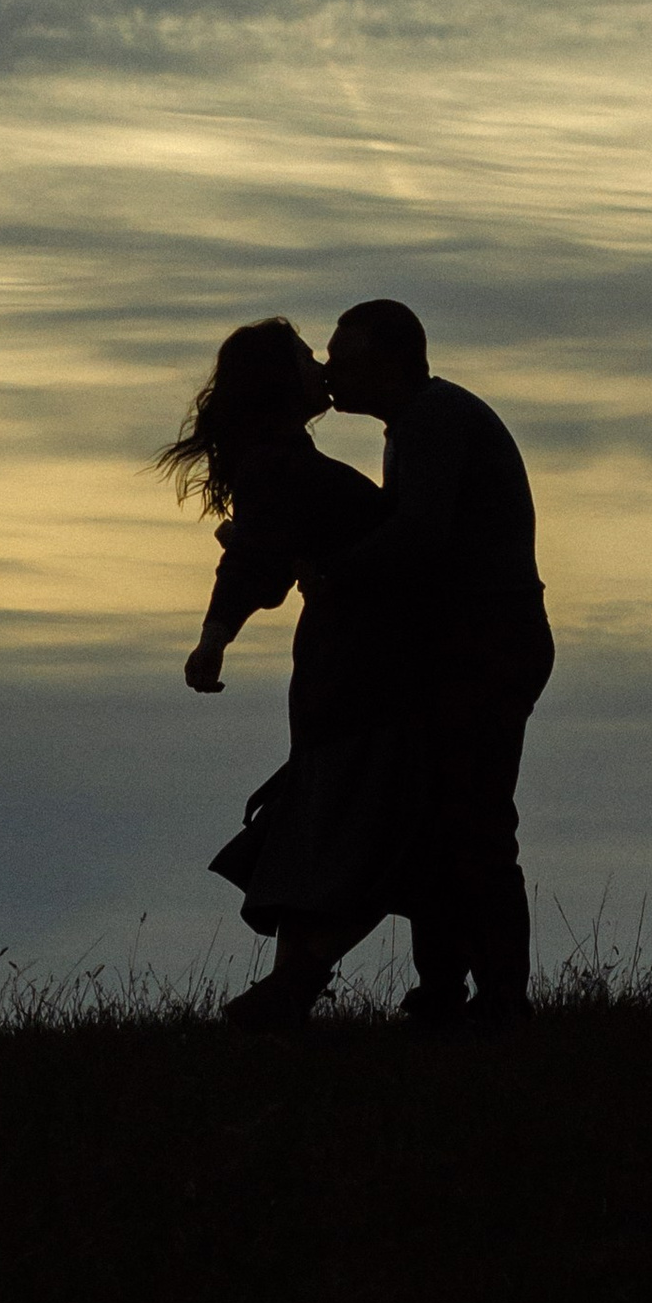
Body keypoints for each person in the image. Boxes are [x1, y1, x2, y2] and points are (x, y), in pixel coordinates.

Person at [159, 316, 417, 1031]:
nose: (322, 365)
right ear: (280, 379)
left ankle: (287, 995)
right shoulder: (276, 463)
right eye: (308, 356)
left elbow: (265, 547)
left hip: (356, 661)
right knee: (367, 823)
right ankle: (289, 990)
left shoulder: (282, 461)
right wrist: (213, 638)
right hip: (358, 665)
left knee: (344, 821)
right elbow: (257, 565)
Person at [313, 296, 554, 1032]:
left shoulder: (431, 422)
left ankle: (499, 998)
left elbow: (419, 535)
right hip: (474, 637)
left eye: (344, 359)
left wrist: (337, 574)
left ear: (388, 361)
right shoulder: (418, 423)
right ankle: (451, 990)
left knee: (473, 820)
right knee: (444, 819)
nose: (329, 373)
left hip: (488, 639)